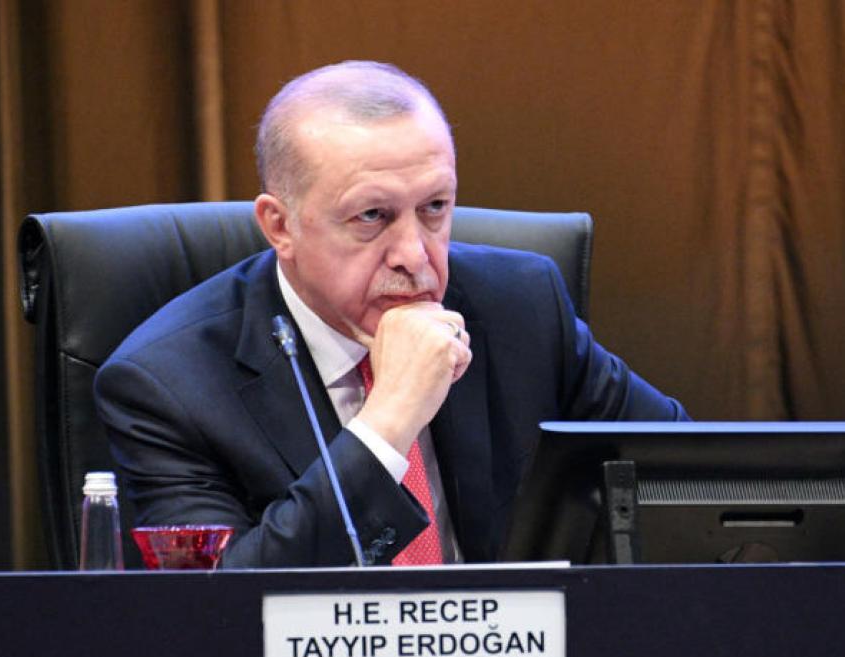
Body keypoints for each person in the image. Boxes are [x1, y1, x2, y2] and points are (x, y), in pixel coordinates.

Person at [94, 60, 689, 568]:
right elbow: (217, 611)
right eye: (372, 216)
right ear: (280, 226)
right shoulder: (168, 387)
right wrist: (389, 420)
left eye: (435, 207)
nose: (415, 255)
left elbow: (690, 483)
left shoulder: (520, 307)